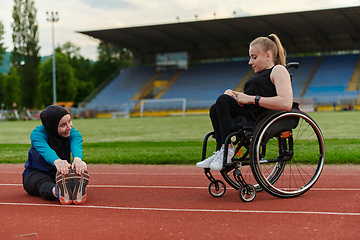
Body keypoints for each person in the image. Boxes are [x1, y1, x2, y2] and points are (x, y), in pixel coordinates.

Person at [196, 33, 293, 171]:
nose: (250, 62)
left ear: (268, 56)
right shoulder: (259, 75)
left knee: (222, 101)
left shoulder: (278, 70)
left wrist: (251, 99)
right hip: (250, 112)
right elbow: (250, 98)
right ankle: (221, 150)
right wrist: (235, 94)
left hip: (261, 117)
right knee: (216, 107)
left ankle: (227, 149)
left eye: (254, 57)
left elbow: (286, 103)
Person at [22, 105, 89, 205]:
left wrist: (78, 159)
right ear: (52, 127)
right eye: (63, 125)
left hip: (62, 173)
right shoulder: (37, 134)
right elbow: (46, 150)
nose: (69, 127)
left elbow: (76, 144)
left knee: (67, 176)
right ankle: (58, 191)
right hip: (36, 172)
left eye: (70, 121)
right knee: (42, 183)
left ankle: (72, 186)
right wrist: (57, 161)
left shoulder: (72, 133)